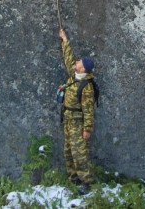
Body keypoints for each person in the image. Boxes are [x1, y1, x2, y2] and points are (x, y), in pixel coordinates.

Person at [58, 28, 97, 192]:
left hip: (77, 123)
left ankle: (87, 183)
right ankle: (73, 179)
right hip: (68, 119)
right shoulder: (73, 77)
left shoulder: (86, 86)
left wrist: (87, 129)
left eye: (79, 62)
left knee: (79, 153)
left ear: (83, 69)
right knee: (68, 151)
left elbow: (89, 109)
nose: (76, 62)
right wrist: (65, 40)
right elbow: (68, 59)